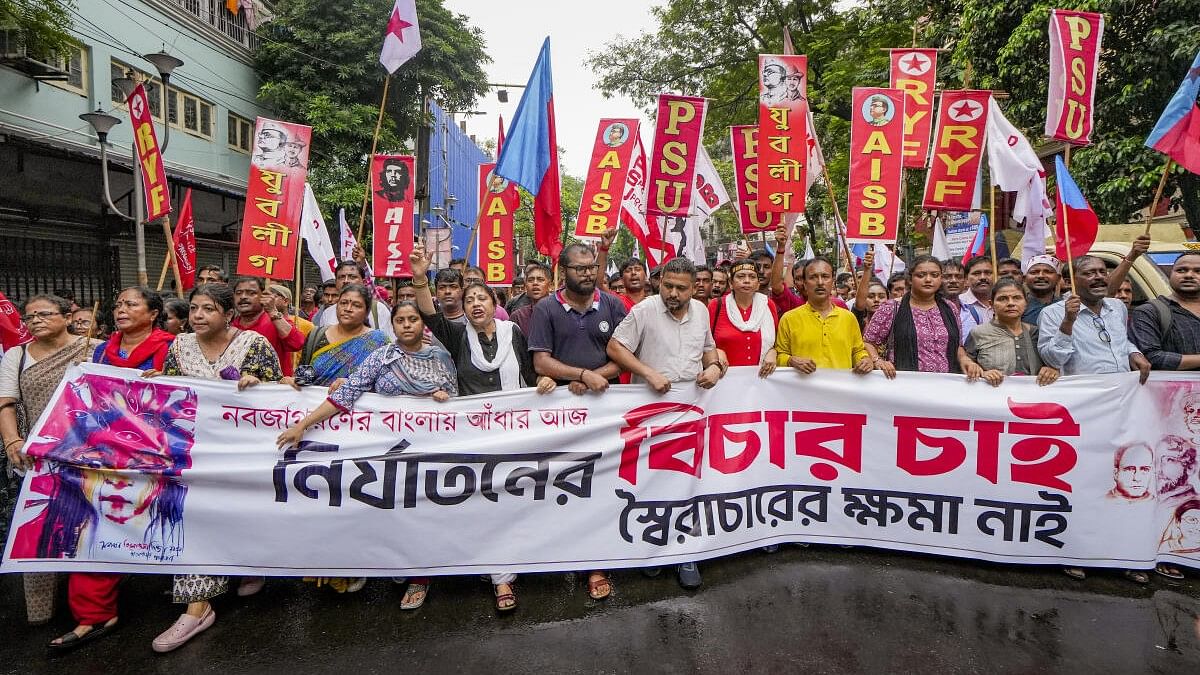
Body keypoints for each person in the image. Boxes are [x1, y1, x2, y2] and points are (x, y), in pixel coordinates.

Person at [277, 301, 457, 611]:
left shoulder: (440, 358)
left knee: (422, 512)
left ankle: (421, 578)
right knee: (392, 512)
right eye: (400, 320)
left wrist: (442, 397)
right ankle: (398, 566)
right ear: (393, 326)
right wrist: (303, 425)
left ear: (421, 323)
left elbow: (460, 405)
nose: (407, 325)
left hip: (428, 451)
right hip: (386, 454)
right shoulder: (381, 357)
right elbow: (347, 395)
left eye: (413, 319)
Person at [410, 245, 556, 611]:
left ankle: (504, 576)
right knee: (478, 505)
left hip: (517, 435)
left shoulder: (515, 334)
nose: (475, 303)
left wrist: (543, 383)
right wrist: (418, 275)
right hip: (473, 439)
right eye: (469, 298)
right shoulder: (458, 336)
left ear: (494, 303)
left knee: (510, 504)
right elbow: (429, 315)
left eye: (482, 298)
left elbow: (531, 371)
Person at [142, 283, 279, 652]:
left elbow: (278, 399)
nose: (198, 316)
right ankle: (197, 608)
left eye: (208, 309)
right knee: (196, 516)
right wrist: (161, 384)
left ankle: (249, 567)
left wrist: (259, 386)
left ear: (227, 314)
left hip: (243, 453)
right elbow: (174, 395)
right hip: (194, 453)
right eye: (194, 309)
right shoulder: (179, 346)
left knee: (238, 516)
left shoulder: (255, 345)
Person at [41, 286, 176, 652]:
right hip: (104, 451)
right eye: (118, 304)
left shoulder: (171, 347)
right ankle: (95, 613)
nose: (121, 309)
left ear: (153, 313)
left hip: (152, 456)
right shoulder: (100, 349)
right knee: (94, 526)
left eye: (131, 304)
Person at [607, 257, 723, 589]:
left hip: (691, 410)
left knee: (687, 484)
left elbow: (709, 349)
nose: (672, 293)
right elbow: (615, 347)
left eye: (680, 288)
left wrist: (713, 367)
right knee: (651, 484)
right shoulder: (643, 310)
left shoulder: (701, 311)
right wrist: (647, 372)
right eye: (667, 286)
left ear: (693, 288)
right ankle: (653, 551)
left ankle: (686, 554)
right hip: (650, 410)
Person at [1037, 255, 1152, 583]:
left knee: (1124, 481)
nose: (1099, 277)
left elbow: (1122, 341)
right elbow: (1054, 357)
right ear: (1072, 280)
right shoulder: (1054, 313)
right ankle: (1077, 552)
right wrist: (1068, 323)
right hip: (1085, 411)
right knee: (1086, 483)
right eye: (1089, 273)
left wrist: (1135, 355)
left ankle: (1126, 553)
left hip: (1125, 407)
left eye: (1102, 272)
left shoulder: (1118, 308)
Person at [1, 295, 99, 627]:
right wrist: (12, 439)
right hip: (36, 457)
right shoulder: (17, 355)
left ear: (66, 317)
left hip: (85, 452)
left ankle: (89, 607)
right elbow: (6, 404)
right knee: (37, 528)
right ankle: (40, 610)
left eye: (44, 314)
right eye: (29, 317)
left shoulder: (93, 348)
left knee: (85, 527)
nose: (36, 321)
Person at [864, 256, 972, 378]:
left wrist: (966, 361)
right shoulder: (891, 308)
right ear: (910, 279)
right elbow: (868, 342)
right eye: (921, 275)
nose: (928, 280)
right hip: (905, 384)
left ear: (941, 279)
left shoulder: (950, 308)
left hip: (945, 384)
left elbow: (957, 346)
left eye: (935, 275)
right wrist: (878, 361)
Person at [775, 258, 873, 375]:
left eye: (825, 276)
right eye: (813, 277)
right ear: (805, 284)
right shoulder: (789, 319)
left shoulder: (848, 318)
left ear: (832, 282)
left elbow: (857, 351)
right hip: (801, 390)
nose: (820, 282)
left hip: (840, 389)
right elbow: (779, 355)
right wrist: (791, 360)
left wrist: (865, 360)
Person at [960, 278, 1059, 387]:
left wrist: (1051, 370)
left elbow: (1054, 362)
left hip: (1033, 399)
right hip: (992, 399)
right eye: (1003, 299)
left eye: (1017, 298)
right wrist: (983, 374)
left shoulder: (1036, 333)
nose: (1010, 303)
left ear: (1026, 302)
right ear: (991, 304)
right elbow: (967, 369)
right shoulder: (978, 333)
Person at [1132, 252, 1200, 372]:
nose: (1189, 275)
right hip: (1175, 389)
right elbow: (1152, 358)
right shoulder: (1149, 311)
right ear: (1170, 274)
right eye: (1181, 270)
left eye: (1198, 271)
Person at [710, 259, 779, 375]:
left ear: (758, 284)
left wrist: (773, 352)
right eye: (741, 276)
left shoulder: (768, 305)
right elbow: (703, 343)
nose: (747, 281)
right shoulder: (716, 305)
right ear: (731, 283)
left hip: (761, 379)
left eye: (752, 277)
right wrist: (716, 352)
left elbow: (778, 341)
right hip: (724, 381)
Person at [230, 277, 305, 377]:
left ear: (263, 296)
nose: (243, 297)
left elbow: (297, 343)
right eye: (238, 293)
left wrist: (273, 312)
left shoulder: (275, 321)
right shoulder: (230, 326)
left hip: (273, 390)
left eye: (251, 293)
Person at [316, 262, 395, 341]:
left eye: (352, 277)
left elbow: (390, 342)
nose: (346, 281)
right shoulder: (327, 313)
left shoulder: (378, 309)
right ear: (336, 282)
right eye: (341, 277)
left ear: (363, 282)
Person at [508, 262, 551, 336]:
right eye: (530, 280)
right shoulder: (518, 316)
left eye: (540, 280)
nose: (535, 283)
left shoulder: (561, 313)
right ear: (526, 286)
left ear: (550, 285)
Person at [959, 256, 995, 342]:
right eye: (976, 273)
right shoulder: (958, 304)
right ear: (966, 279)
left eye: (988, 272)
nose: (983, 277)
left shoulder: (1004, 302)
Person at [1022, 255, 1063, 324]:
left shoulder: (1066, 306)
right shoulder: (1016, 306)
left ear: (1058, 278)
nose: (1041, 276)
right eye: (1034, 272)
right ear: (1024, 278)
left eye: (1048, 272)